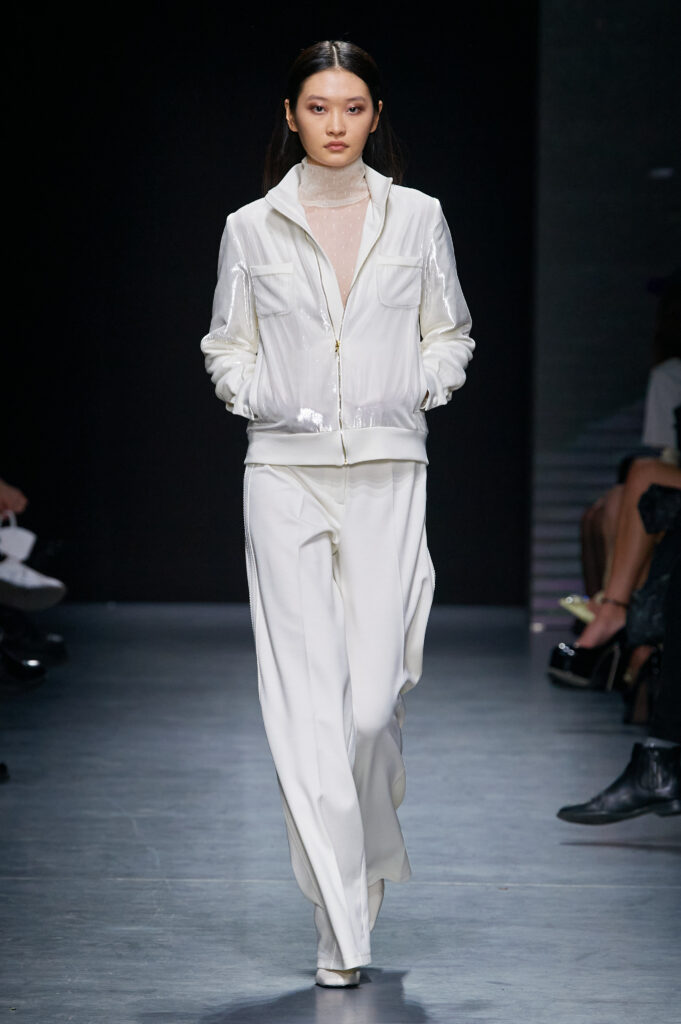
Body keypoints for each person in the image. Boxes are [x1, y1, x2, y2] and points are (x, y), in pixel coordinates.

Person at [200, 40, 474, 988]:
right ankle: (340, 924)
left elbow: (449, 328)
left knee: (367, 711)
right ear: (291, 116)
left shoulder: (418, 215)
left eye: (352, 107)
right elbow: (225, 342)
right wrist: (259, 398)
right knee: (306, 710)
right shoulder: (250, 227)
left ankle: (366, 853)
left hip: (390, 470)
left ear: (374, 114)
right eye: (317, 107)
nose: (335, 124)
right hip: (283, 472)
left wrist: (418, 388)